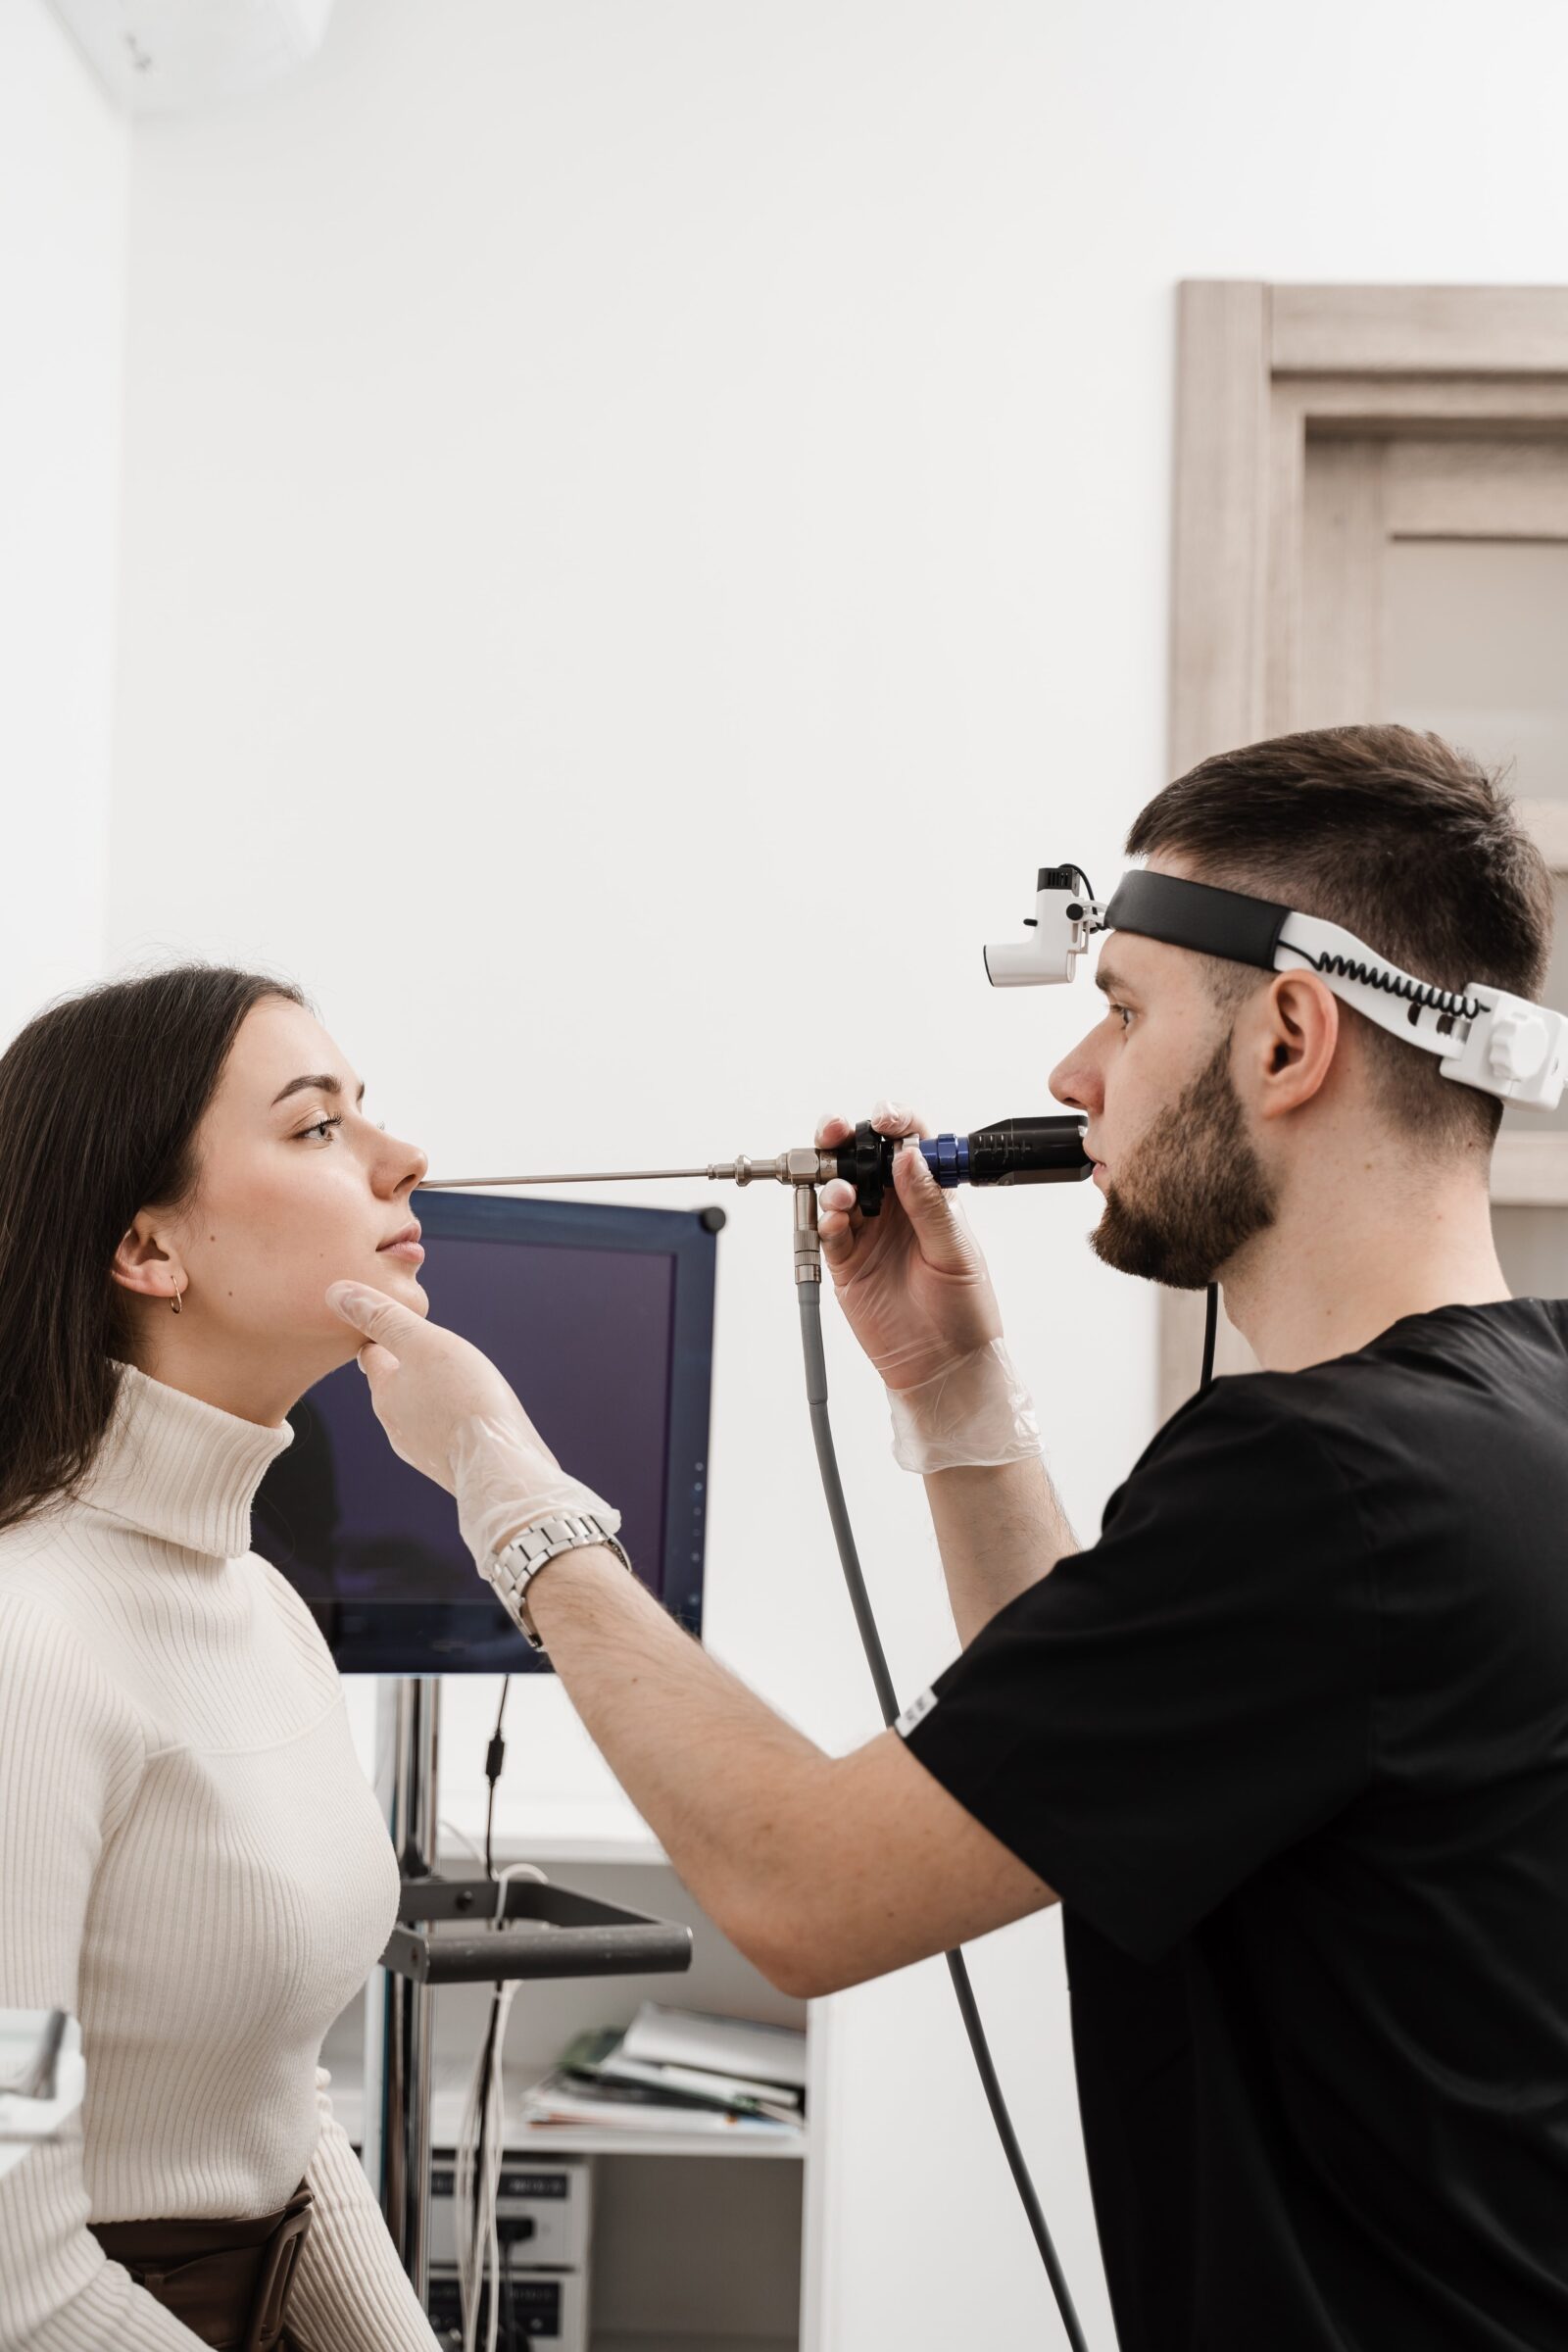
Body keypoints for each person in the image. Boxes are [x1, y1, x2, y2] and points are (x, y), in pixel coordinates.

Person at [328, 725, 1568, 2352]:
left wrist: (506, 1487)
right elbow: (1110, 1750)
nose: (1072, 1081)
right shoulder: (1517, 1406)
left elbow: (798, 1891)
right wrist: (952, 1390)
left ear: (1288, 1037)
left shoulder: (1323, 1488)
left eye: (1121, 1011)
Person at [0, 968, 445, 2350]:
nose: (400, 1158)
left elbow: (276, 2095)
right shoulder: (30, 1645)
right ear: (148, 1250)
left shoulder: (260, 1609)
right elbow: (10, 2265)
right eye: (317, 1128)